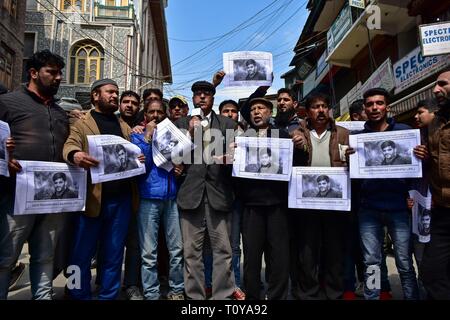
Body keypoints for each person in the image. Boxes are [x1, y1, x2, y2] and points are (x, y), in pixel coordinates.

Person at [63, 78, 142, 300]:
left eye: (116, 93)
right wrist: (75, 155)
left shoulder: (123, 125)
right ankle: (77, 295)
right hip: (91, 199)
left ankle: (108, 295)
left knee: (114, 255)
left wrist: (139, 156)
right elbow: (70, 144)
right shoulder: (81, 122)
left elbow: (133, 152)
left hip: (121, 200)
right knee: (79, 254)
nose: (115, 96)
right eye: (110, 92)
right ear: (95, 95)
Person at [0, 49, 69, 300]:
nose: (58, 78)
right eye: (51, 72)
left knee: (45, 255)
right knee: (7, 255)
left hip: (52, 198)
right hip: (16, 194)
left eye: (60, 73)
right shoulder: (8, 103)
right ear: (33, 73)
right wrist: (5, 161)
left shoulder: (60, 112)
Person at [345, 87, 425, 300]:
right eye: (370, 104)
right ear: (365, 108)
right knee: (371, 261)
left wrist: (414, 192)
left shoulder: (404, 132)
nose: (374, 108)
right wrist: (349, 158)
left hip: (399, 207)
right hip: (369, 208)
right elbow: (352, 175)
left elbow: (416, 171)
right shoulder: (358, 138)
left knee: (404, 262)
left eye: (379, 103)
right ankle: (372, 297)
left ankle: (411, 297)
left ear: (387, 106)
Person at [174, 80, 237, 300]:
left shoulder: (228, 124)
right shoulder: (180, 123)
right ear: (193, 98)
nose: (202, 97)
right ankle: (195, 298)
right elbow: (174, 158)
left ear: (213, 98)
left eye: (206, 94)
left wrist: (231, 157)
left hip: (219, 193)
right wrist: (190, 134)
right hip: (191, 195)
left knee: (223, 251)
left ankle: (222, 296)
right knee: (191, 252)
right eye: (198, 94)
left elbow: (237, 158)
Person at [235, 97, 300, 300]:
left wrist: (298, 146)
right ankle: (253, 297)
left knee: (279, 256)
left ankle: (277, 296)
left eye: (261, 108)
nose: (256, 112)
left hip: (278, 206)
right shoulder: (243, 139)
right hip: (252, 206)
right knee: (252, 258)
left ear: (269, 112)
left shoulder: (283, 136)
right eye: (253, 109)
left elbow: (294, 166)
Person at [291, 92, 349, 300]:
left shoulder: (342, 133)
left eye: (324, 106)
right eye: (316, 107)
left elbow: (351, 164)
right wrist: (295, 148)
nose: (321, 110)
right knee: (308, 250)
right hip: (307, 202)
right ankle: (309, 292)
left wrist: (352, 157)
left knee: (334, 249)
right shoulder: (297, 134)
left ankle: (333, 292)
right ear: (307, 112)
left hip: (335, 201)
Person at [131, 99, 184, 300]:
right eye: (151, 112)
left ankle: (177, 290)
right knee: (148, 252)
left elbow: (182, 158)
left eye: (159, 112)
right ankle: (152, 293)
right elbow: (139, 166)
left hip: (171, 198)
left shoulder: (174, 135)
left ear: (165, 114)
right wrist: (147, 136)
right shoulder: (137, 135)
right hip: (148, 198)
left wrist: (181, 168)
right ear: (145, 114)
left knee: (176, 249)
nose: (155, 115)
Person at [420, 67, 450, 299]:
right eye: (436, 85)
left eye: (443, 84)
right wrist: (424, 156)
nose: (436, 89)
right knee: (431, 271)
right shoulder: (434, 123)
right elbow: (434, 162)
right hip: (441, 210)